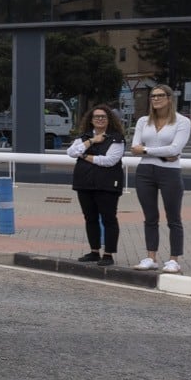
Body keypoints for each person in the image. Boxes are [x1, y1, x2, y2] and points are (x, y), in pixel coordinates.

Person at [130, 84, 191, 273]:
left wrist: (147, 150)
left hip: (170, 172)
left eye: (160, 95)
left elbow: (175, 150)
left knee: (173, 217)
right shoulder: (143, 121)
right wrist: (161, 154)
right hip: (145, 171)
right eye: (153, 96)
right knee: (150, 217)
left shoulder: (182, 121)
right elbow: (134, 148)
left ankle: (174, 259)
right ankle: (151, 257)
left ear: (169, 98)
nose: (155, 99)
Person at [66, 104, 126, 265]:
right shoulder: (84, 137)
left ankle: (108, 254)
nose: (99, 119)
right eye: (96, 117)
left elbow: (109, 161)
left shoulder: (117, 138)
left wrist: (85, 156)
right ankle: (94, 252)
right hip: (84, 184)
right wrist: (92, 141)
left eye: (103, 117)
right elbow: (71, 152)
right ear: (91, 120)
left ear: (109, 119)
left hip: (107, 185)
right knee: (90, 218)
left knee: (109, 219)